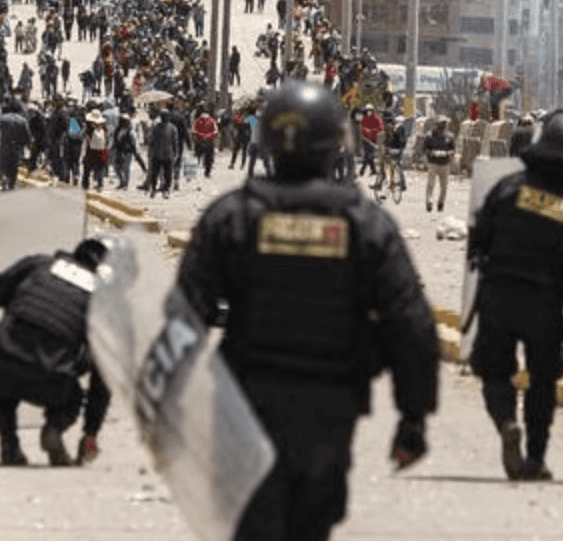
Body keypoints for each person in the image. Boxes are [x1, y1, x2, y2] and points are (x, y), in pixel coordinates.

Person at [172, 81, 439, 541]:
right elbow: (409, 322)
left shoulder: (231, 217)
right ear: (335, 143)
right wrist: (412, 415)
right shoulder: (365, 224)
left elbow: (184, 316)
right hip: (329, 408)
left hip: (244, 403)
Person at [467, 110, 563, 480]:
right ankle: (535, 459)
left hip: (498, 294)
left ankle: (507, 421)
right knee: (542, 383)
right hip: (545, 304)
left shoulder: (508, 188)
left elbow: (478, 240)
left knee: (494, 370)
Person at [0, 239, 112, 466]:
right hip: (51, 383)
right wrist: (90, 431)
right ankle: (54, 428)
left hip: (1, 370)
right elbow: (102, 375)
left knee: (2, 355)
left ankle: (9, 444)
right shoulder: (102, 299)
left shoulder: (38, 265)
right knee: (74, 393)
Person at [0, 101, 32, 191]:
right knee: (14, 167)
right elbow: (28, 136)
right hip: (17, 147)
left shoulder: (2, 118)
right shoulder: (23, 120)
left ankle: (4, 180)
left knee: (3, 165)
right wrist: (27, 147)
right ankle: (11, 185)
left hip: (4, 145)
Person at [423, 115, 454, 212]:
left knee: (444, 186)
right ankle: (429, 201)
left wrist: (449, 154)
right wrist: (431, 153)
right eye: (441, 124)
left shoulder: (449, 136)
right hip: (433, 163)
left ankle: (441, 203)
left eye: (444, 124)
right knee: (431, 184)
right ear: (436, 125)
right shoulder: (429, 136)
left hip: (445, 164)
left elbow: (452, 149)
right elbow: (425, 149)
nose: (443, 126)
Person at [358, 105, 384, 177]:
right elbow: (361, 126)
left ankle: (363, 170)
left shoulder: (377, 118)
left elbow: (381, 128)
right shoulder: (364, 117)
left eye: (370, 110)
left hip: (373, 139)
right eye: (367, 110)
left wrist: (371, 131)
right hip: (365, 139)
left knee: (368, 154)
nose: (369, 111)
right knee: (368, 154)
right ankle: (373, 170)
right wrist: (364, 130)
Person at [193, 109, 218, 178]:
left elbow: (194, 131)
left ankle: (197, 172)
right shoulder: (212, 121)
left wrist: (201, 136)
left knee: (197, 157)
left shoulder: (197, 121)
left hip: (199, 142)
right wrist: (208, 136)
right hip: (209, 142)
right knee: (209, 158)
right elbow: (215, 132)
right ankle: (207, 172)